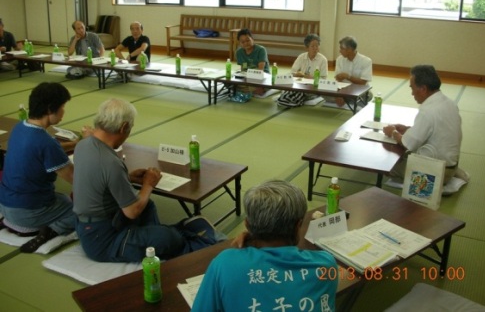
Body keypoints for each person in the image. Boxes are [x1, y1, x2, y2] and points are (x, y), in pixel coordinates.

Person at [72, 98, 219, 263]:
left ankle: (159, 235)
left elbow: (97, 179)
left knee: (147, 206)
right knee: (170, 238)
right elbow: (132, 211)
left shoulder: (84, 144)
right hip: (104, 239)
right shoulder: (110, 161)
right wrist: (148, 184)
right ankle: (184, 239)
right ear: (124, 127)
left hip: (90, 225)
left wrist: (127, 178)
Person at [192, 180, 338, 312]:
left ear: (247, 225)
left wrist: (241, 250)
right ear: (298, 226)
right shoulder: (326, 265)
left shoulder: (224, 263)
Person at [0, 83, 83, 253]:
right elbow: (77, 179)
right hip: (28, 212)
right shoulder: (46, 143)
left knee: (63, 199)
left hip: (6, 203)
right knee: (85, 213)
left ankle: (15, 222)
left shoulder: (20, 127)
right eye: (62, 107)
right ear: (50, 109)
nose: (64, 112)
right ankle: (52, 231)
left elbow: (47, 151)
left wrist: (76, 144)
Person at [383, 64, 464, 185]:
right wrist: (407, 129)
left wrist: (393, 132)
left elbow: (407, 144)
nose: (412, 93)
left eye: (412, 88)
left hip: (436, 171)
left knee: (388, 165)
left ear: (423, 89)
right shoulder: (449, 103)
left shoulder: (428, 111)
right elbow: (436, 130)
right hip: (451, 164)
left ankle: (440, 181)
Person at [334, 36, 372, 107]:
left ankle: (347, 100)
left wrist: (348, 77)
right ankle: (349, 101)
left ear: (349, 49)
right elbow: (337, 78)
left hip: (358, 91)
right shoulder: (339, 59)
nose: (339, 51)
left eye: (342, 48)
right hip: (342, 90)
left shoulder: (366, 61)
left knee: (369, 96)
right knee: (325, 94)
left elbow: (363, 83)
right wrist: (339, 94)